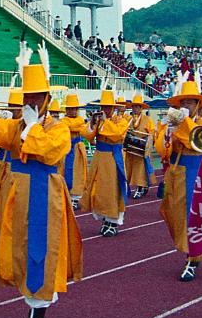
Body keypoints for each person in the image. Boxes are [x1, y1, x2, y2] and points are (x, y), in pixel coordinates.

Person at [0, 49, 82, 318]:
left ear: (48, 99)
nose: (31, 102)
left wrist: (31, 128)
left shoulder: (59, 128)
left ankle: (37, 316)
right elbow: (0, 134)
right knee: (20, 247)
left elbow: (49, 150)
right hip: (20, 192)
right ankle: (34, 300)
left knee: (41, 248)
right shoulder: (19, 124)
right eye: (28, 97)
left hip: (44, 193)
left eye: (37, 97)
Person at [156, 75, 202, 281]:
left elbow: (195, 140)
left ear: (198, 105)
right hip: (176, 171)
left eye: (190, 102)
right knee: (174, 213)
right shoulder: (175, 124)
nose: (186, 105)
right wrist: (167, 130)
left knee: (193, 216)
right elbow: (162, 150)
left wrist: (182, 122)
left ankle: (192, 258)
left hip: (197, 172)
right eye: (183, 102)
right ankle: (188, 251)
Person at [80, 89, 131, 236]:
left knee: (112, 189)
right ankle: (104, 218)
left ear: (114, 108)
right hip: (99, 158)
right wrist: (92, 122)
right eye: (104, 107)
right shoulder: (100, 120)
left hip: (112, 158)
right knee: (99, 188)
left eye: (109, 107)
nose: (106, 110)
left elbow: (116, 135)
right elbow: (88, 136)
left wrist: (104, 122)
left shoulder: (121, 121)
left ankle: (113, 220)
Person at [59, 92, 90, 210]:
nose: (72, 111)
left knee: (78, 172)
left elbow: (82, 128)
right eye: (70, 109)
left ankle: (76, 198)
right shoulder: (64, 121)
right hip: (67, 149)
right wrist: (76, 127)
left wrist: (76, 127)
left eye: (74, 109)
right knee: (65, 171)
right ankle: (66, 195)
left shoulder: (80, 119)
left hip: (77, 149)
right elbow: (69, 126)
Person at [124, 93, 157, 199]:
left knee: (140, 170)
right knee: (129, 169)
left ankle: (140, 188)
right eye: (133, 106)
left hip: (141, 150)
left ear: (141, 108)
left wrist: (146, 141)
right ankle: (128, 188)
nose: (135, 109)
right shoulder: (129, 119)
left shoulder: (147, 120)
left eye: (137, 106)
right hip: (131, 149)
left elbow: (152, 133)